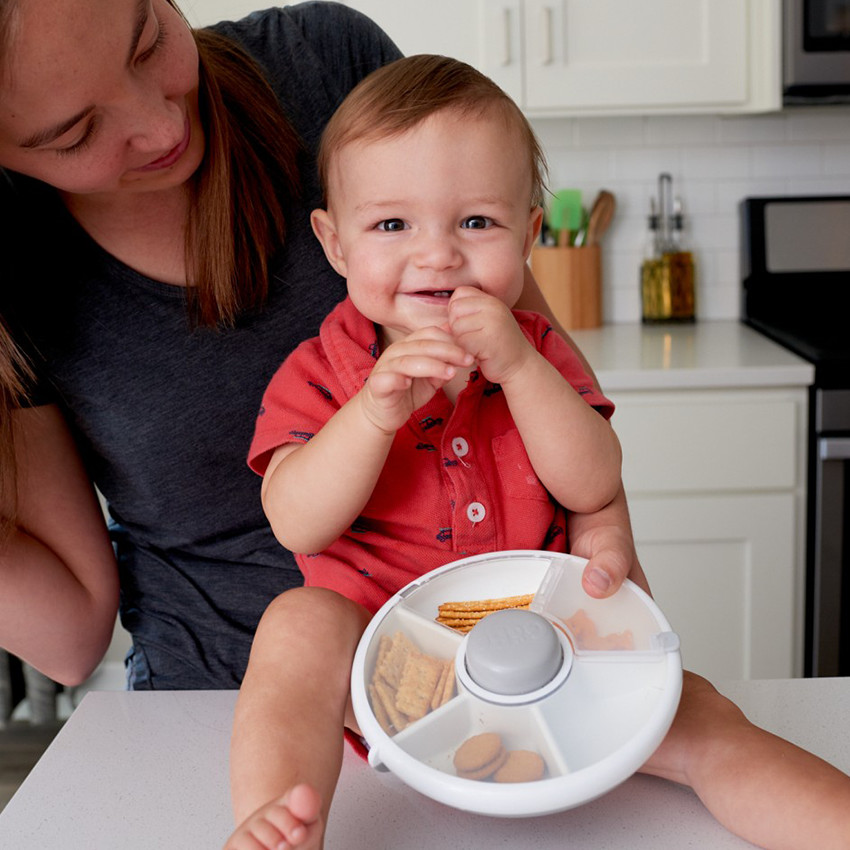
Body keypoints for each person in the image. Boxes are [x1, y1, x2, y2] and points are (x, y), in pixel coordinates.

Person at [229, 55, 850, 850]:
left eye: (476, 223)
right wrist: (372, 415)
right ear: (335, 243)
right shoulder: (321, 372)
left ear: (529, 235)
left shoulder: (540, 350)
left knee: (710, 722)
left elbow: (593, 481)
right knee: (296, 625)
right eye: (392, 225)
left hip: (561, 657)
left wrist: (520, 369)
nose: (438, 255)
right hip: (393, 677)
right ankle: (274, 827)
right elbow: (295, 523)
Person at [0, 2, 635, 699]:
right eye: (76, 133)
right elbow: (70, 640)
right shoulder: (19, 262)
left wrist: (615, 593)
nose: (162, 127)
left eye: (148, 44)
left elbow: (563, 429)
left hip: (518, 661)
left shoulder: (324, 61)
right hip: (219, 699)